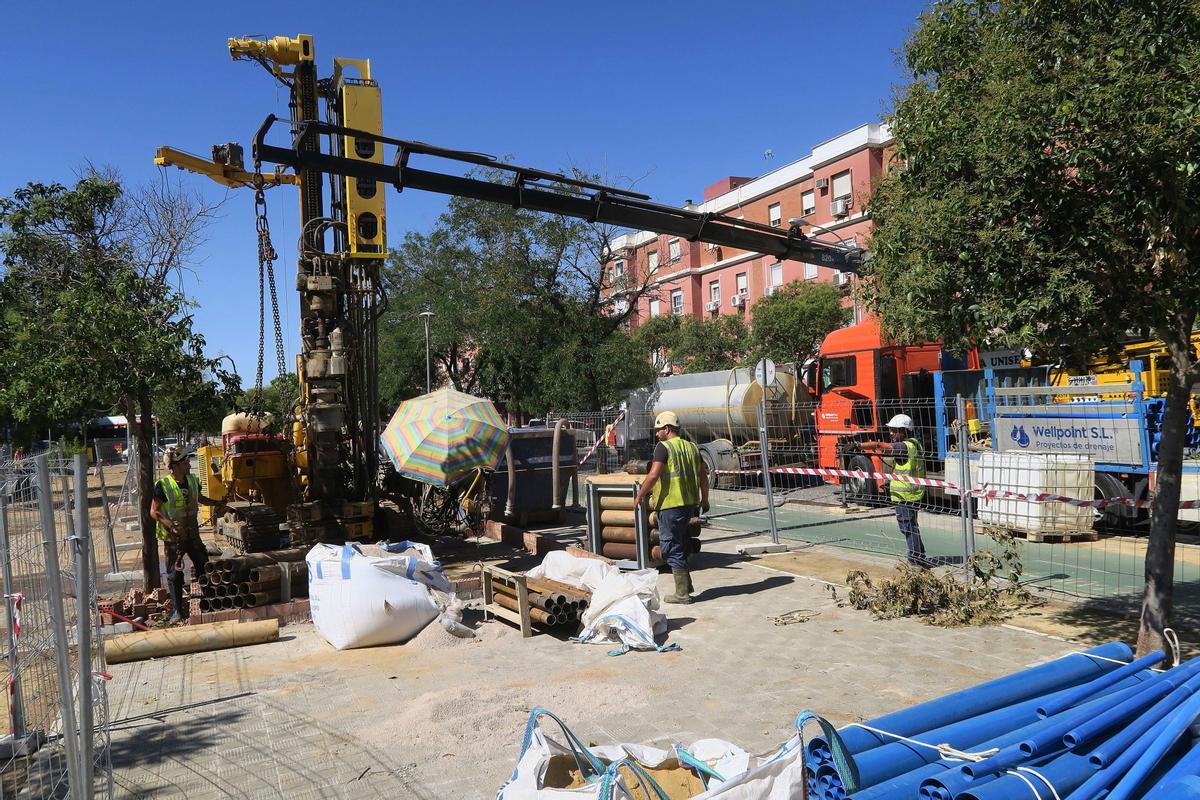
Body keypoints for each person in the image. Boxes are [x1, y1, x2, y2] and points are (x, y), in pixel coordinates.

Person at [633, 411, 709, 604]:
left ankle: (682, 594)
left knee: (670, 548)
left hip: (670, 506)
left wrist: (640, 495)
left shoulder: (663, 447)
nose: (657, 433)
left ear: (666, 429)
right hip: (690, 505)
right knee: (681, 542)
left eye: (658, 430)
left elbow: (653, 475)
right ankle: (686, 586)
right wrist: (705, 499)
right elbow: (703, 477)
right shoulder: (692, 447)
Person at [150, 446, 225, 623]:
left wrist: (217, 503)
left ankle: (210, 601)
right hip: (173, 539)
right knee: (175, 574)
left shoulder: (192, 480)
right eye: (185, 462)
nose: (188, 465)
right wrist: (172, 527)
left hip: (192, 535)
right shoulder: (163, 485)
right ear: (175, 465)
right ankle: (177, 611)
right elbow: (154, 511)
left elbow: (199, 497)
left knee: (203, 566)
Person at [860, 414, 930, 568]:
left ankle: (915, 561)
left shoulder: (904, 446)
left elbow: (884, 447)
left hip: (905, 495)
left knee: (908, 527)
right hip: (913, 493)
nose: (891, 433)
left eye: (894, 431)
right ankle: (920, 556)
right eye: (890, 430)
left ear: (904, 431)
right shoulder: (915, 444)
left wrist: (861, 446)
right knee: (912, 526)